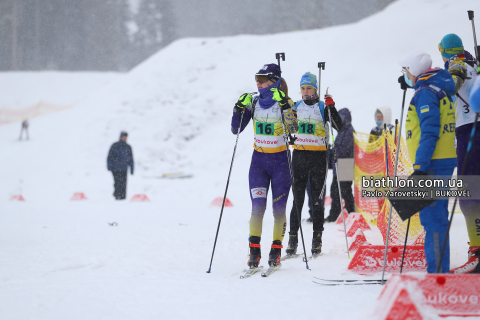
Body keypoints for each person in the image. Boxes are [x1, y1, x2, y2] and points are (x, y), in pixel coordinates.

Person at [231, 63, 298, 268]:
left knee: (278, 210)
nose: (258, 83)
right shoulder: (254, 102)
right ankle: (254, 252)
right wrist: (238, 109)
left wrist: (285, 106)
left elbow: (294, 129)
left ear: (274, 80)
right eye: (256, 79)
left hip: (281, 164)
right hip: (259, 163)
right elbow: (236, 129)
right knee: (257, 207)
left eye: (262, 79)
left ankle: (276, 251)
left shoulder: (286, 102)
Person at [400, 51, 457, 273]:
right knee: (436, 218)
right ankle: (438, 270)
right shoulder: (436, 88)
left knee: (433, 221)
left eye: (406, 71)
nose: (404, 75)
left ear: (414, 72)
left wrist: (419, 167)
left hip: (431, 164)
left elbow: (430, 132)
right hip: (440, 161)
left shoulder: (425, 93)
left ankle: (437, 274)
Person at [285, 72, 343, 257]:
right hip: (299, 156)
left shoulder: (321, 106)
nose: (305, 91)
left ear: (315, 89)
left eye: (309, 87)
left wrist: (331, 108)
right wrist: (285, 108)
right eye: (302, 88)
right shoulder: (296, 106)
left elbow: (339, 126)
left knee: (317, 200)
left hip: (318, 157)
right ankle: (292, 240)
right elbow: (288, 126)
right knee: (298, 200)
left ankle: (316, 240)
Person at [438, 34, 480, 274]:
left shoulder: (457, 64)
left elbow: (450, 86)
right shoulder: (474, 63)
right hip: (472, 130)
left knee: (470, 195)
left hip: (468, 132)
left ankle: (477, 254)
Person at [326, 108, 355, 222]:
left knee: (345, 191)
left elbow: (345, 149)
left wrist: (334, 152)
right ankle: (334, 215)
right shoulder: (341, 131)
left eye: (341, 118)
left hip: (346, 165)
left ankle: (351, 213)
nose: (340, 120)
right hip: (339, 166)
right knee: (335, 191)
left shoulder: (349, 131)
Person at [107, 131, 134, 200]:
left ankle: (123, 197)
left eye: (125, 136)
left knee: (123, 184)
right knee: (117, 183)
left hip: (124, 169)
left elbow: (131, 159)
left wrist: (132, 169)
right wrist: (109, 166)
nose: (124, 138)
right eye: (123, 136)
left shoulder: (128, 147)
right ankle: (117, 195)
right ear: (120, 137)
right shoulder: (115, 146)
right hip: (115, 169)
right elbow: (110, 156)